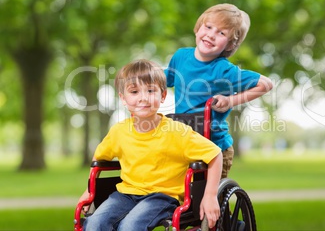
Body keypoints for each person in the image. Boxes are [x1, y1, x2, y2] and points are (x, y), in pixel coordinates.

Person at [78, 59, 222, 230]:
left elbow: (215, 155)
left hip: (162, 196)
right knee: (94, 223)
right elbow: (99, 158)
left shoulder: (177, 131)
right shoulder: (119, 131)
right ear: (123, 98)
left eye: (151, 90)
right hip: (125, 195)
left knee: (129, 227)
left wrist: (210, 195)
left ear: (162, 96)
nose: (143, 98)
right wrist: (89, 190)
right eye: (134, 91)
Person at [165, 3, 273, 178]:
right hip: (185, 142)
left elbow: (266, 84)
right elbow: (165, 79)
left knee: (205, 198)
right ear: (198, 28)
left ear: (230, 45)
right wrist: (142, 80)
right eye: (208, 27)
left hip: (214, 147)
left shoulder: (223, 70)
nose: (211, 35)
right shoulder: (180, 57)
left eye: (221, 33)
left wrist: (230, 101)